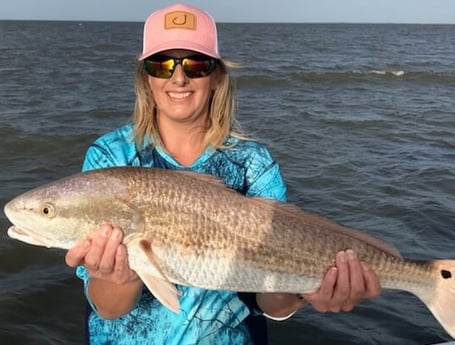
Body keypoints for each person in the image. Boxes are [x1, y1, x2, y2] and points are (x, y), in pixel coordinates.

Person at [65, 3, 381, 344]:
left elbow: (271, 303)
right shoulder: (111, 157)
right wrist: (116, 275)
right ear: (146, 78)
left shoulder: (252, 163)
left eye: (196, 64)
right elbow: (109, 309)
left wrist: (306, 289)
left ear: (216, 76)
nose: (178, 77)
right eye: (162, 64)